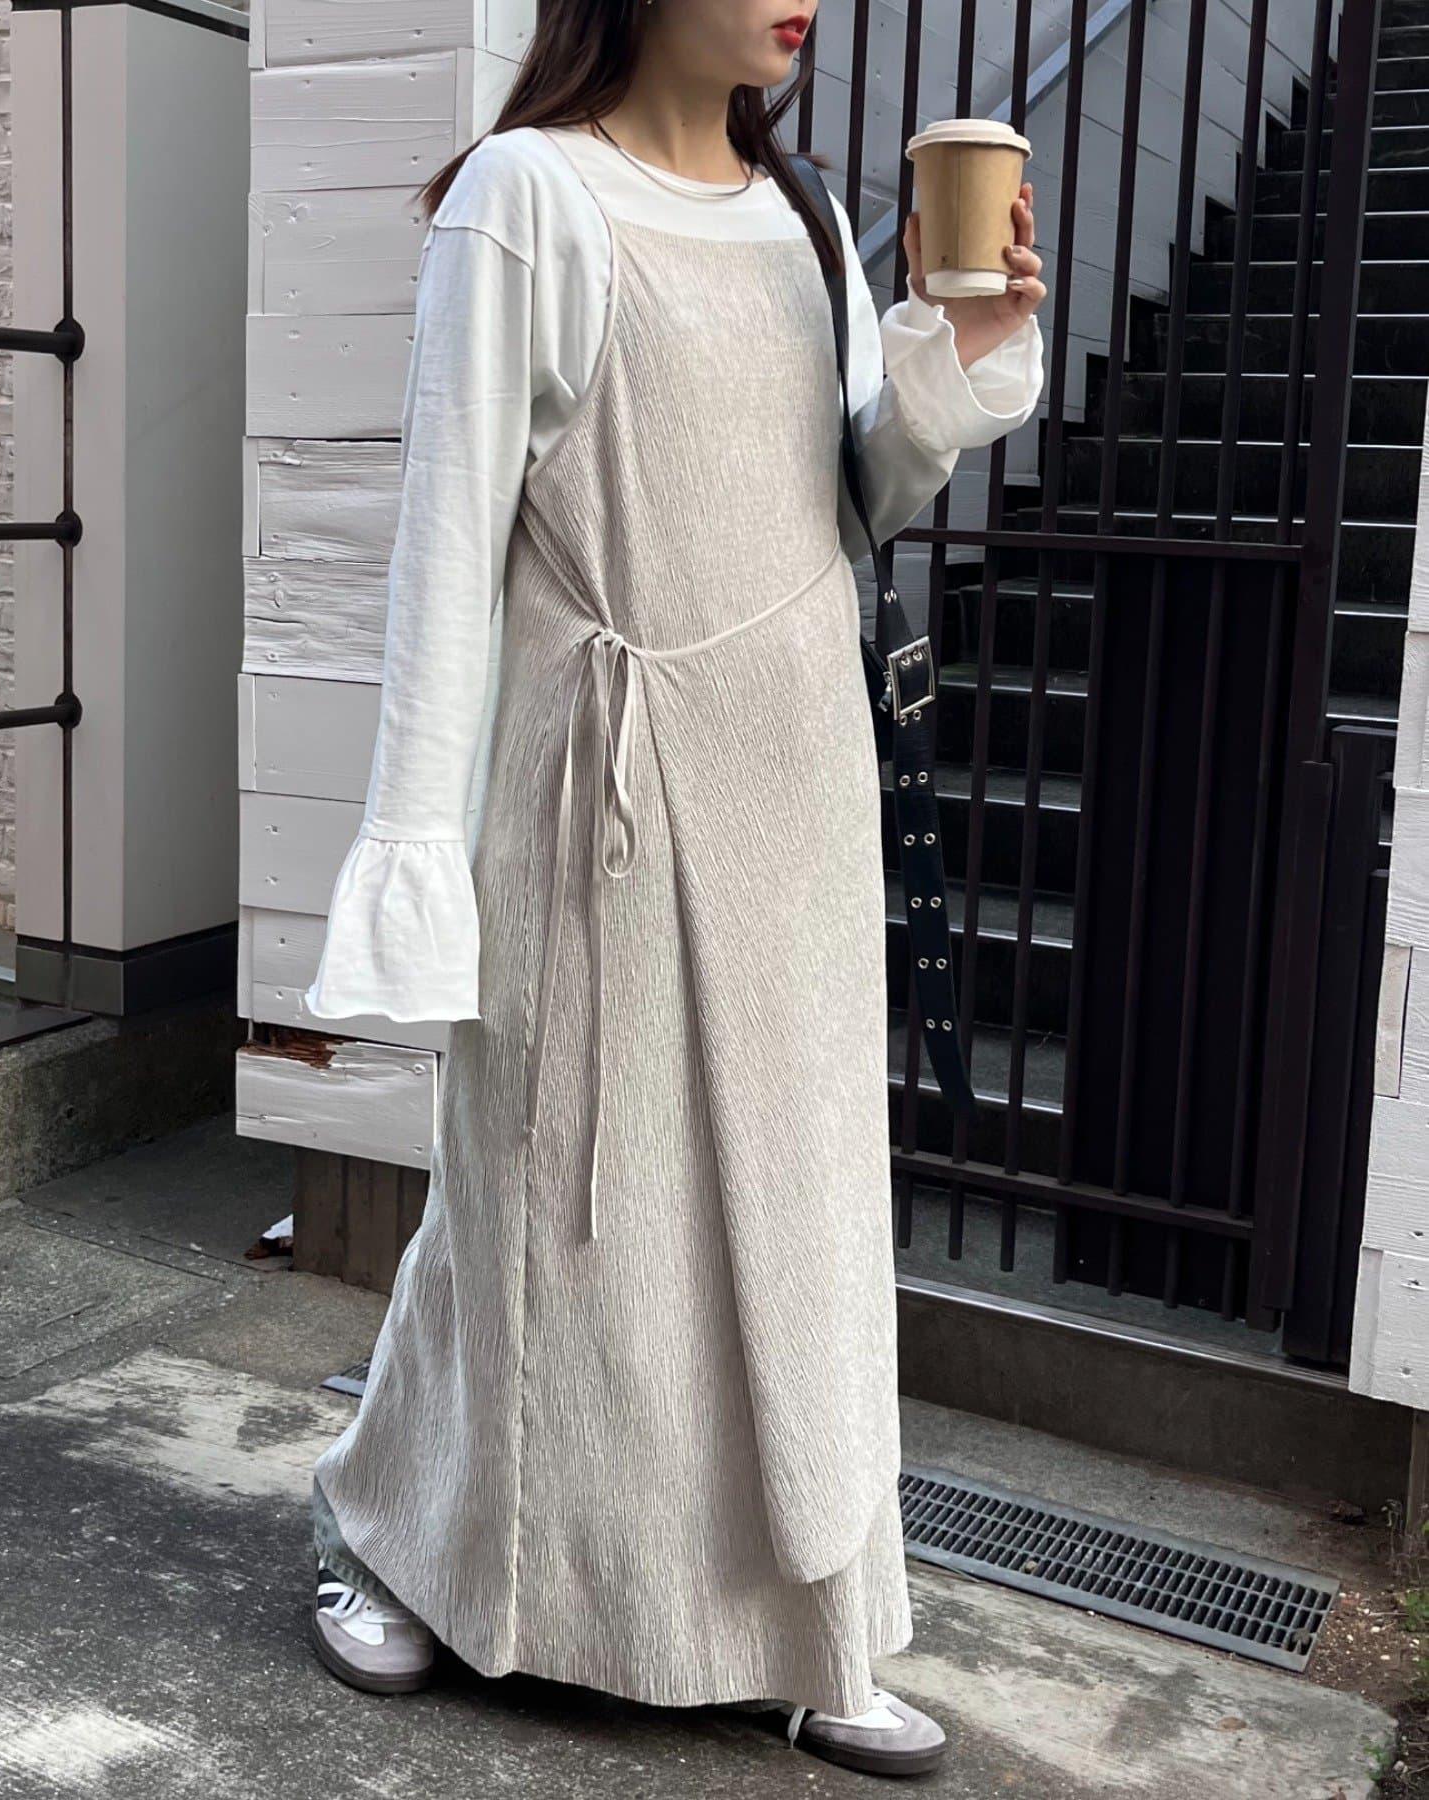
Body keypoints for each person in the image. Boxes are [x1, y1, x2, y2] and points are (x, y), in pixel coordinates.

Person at [301, 0, 1046, 1779]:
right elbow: (444, 553)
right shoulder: (528, 197)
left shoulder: (805, 216)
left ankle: (816, 1620)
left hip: (794, 792)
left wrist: (960, 343)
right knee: (551, 1207)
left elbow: (855, 503)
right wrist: (416, 860)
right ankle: (417, 1546)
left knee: (800, 1210)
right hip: (599, 798)